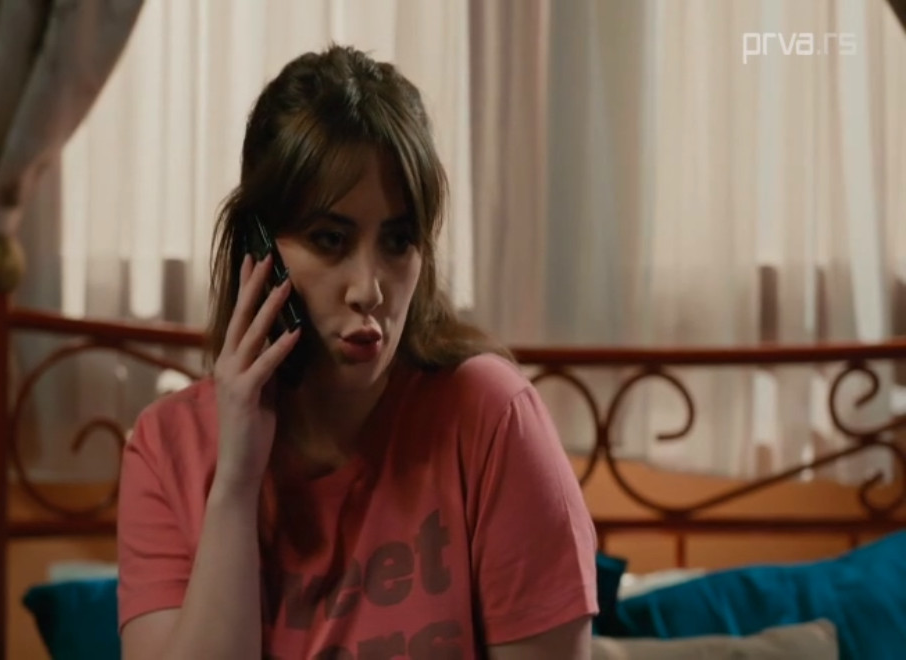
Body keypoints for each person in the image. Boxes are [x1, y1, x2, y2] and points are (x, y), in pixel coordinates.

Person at [117, 44, 598, 659]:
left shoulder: (491, 419)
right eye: (329, 239)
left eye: (398, 241)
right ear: (258, 248)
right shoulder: (167, 450)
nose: (369, 288)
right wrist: (236, 480)